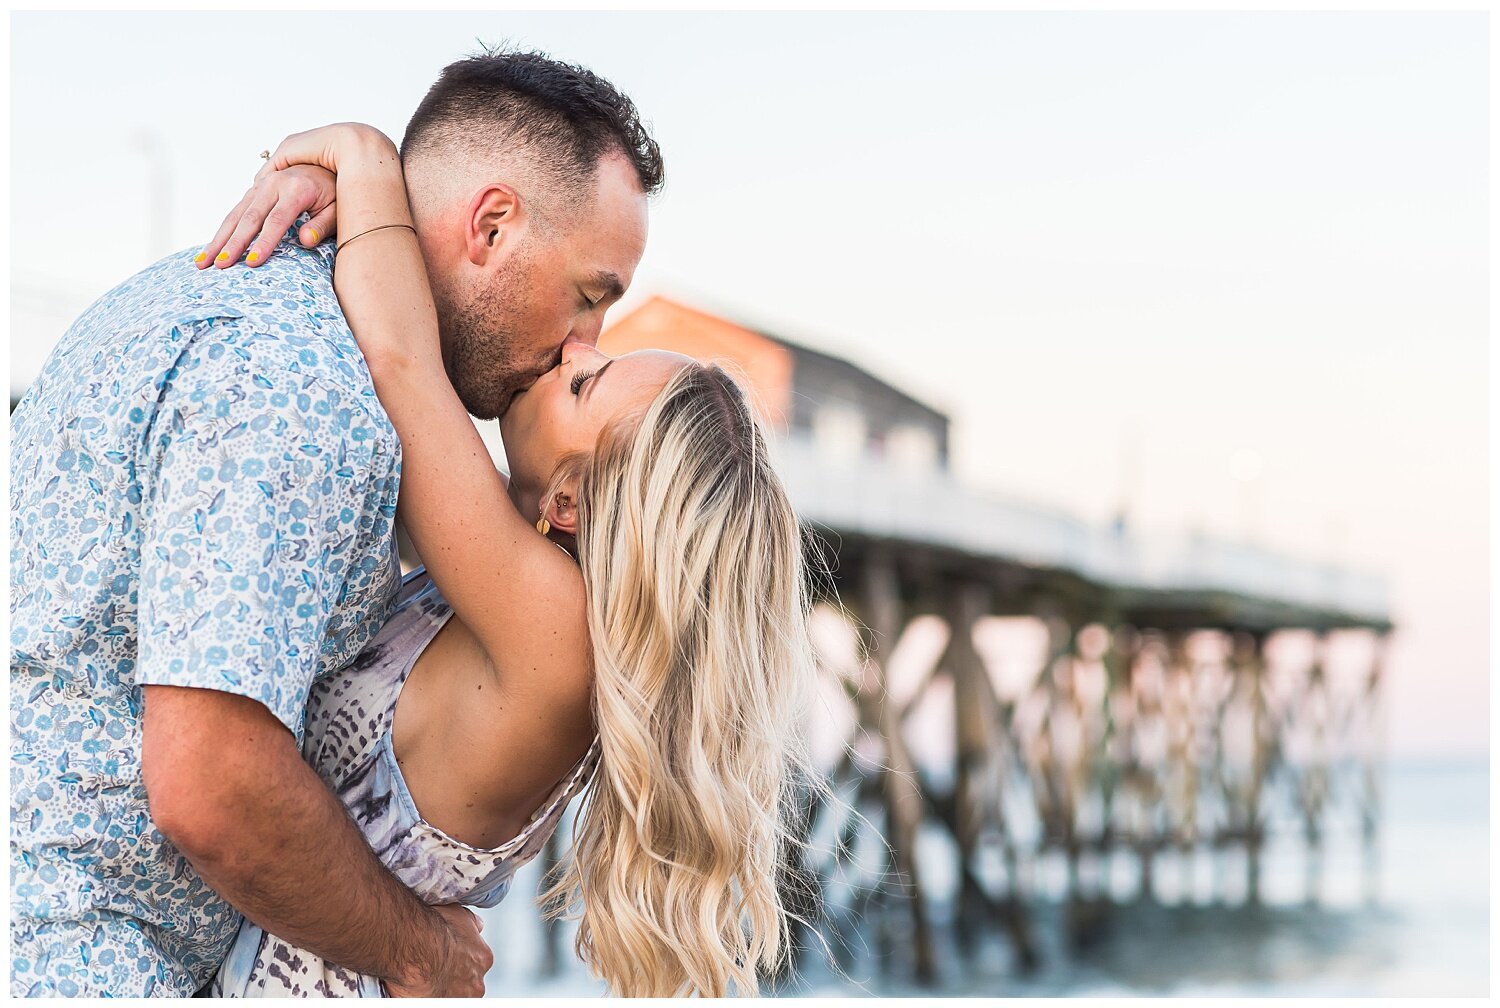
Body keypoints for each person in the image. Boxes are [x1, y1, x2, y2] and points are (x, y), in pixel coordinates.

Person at [9, 49, 662, 997]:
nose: (580, 342)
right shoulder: (308, 396)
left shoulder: (225, 294)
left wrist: (364, 160)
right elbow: (212, 785)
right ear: (490, 226)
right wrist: (420, 951)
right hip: (78, 963)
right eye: (590, 295)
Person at [201, 121, 821, 998]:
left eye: (586, 383)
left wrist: (369, 159)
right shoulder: (532, 595)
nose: (574, 346)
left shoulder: (551, 630)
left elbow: (403, 363)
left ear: (569, 502)